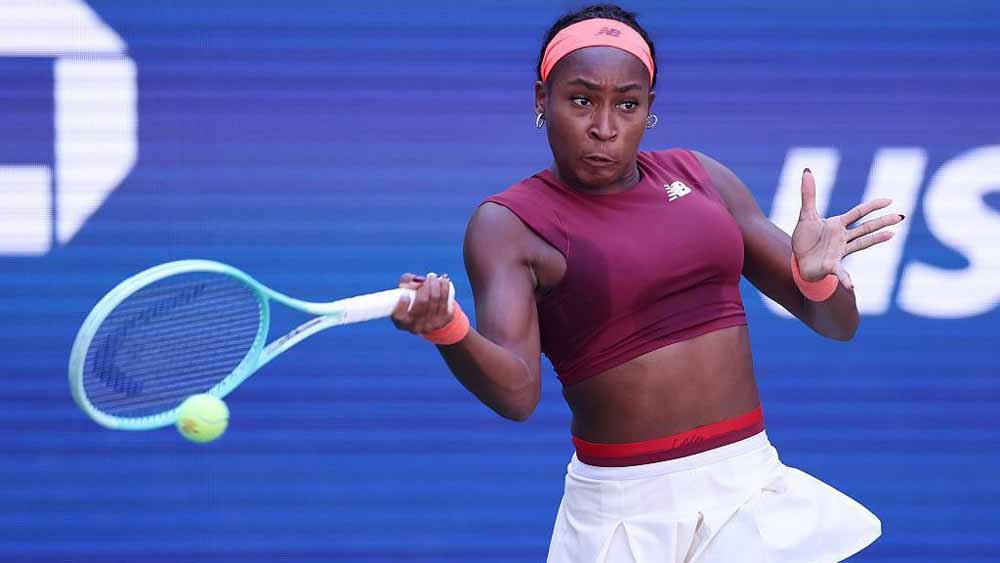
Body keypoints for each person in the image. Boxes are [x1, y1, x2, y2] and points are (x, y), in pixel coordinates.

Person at [391, 4, 894, 561]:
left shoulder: (701, 177)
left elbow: (837, 324)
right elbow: (517, 394)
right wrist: (450, 330)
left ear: (648, 108)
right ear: (541, 100)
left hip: (749, 490)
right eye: (581, 100)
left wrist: (817, 280)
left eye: (627, 104)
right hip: (622, 512)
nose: (604, 128)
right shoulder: (507, 225)